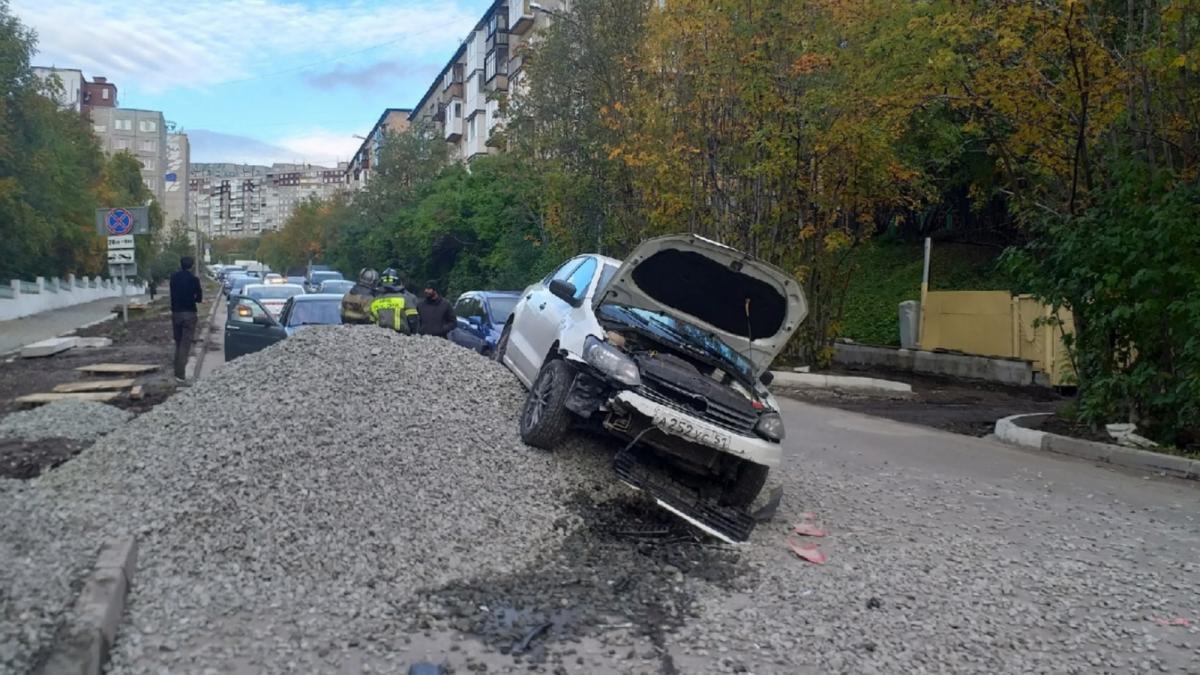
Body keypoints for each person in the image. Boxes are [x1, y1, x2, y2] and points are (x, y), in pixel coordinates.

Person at [169, 257, 203, 385]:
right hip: (189, 314)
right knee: (185, 345)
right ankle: (181, 376)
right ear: (192, 266)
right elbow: (199, 298)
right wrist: (192, 297)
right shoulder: (194, 280)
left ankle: (176, 372)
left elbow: (172, 294)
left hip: (176, 314)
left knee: (178, 343)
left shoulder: (173, 278)